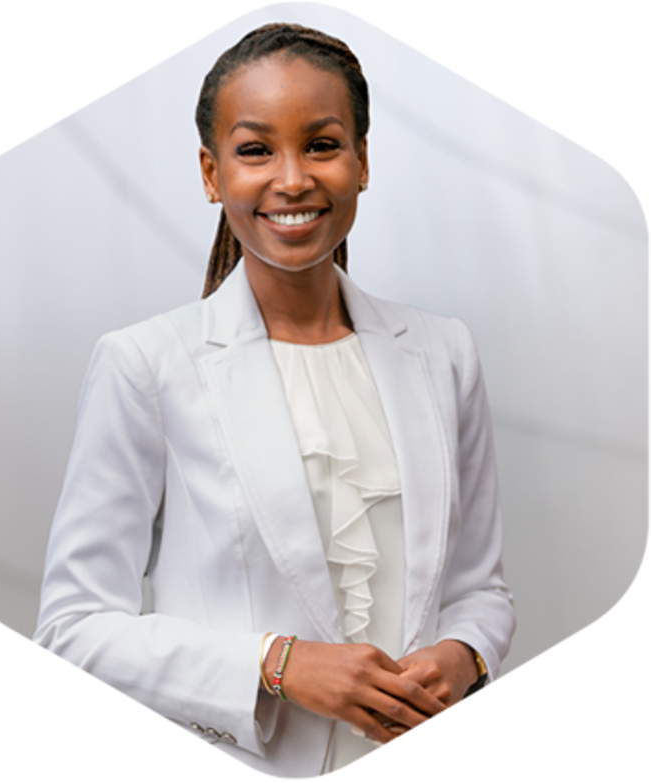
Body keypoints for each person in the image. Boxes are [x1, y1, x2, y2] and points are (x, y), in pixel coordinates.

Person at [32, 23, 515, 782]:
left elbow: (478, 587)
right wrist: (279, 664)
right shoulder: (146, 365)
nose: (293, 179)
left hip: (425, 764)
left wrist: (460, 654)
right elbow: (74, 623)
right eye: (256, 150)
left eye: (322, 144)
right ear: (211, 172)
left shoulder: (443, 351)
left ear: (362, 161)